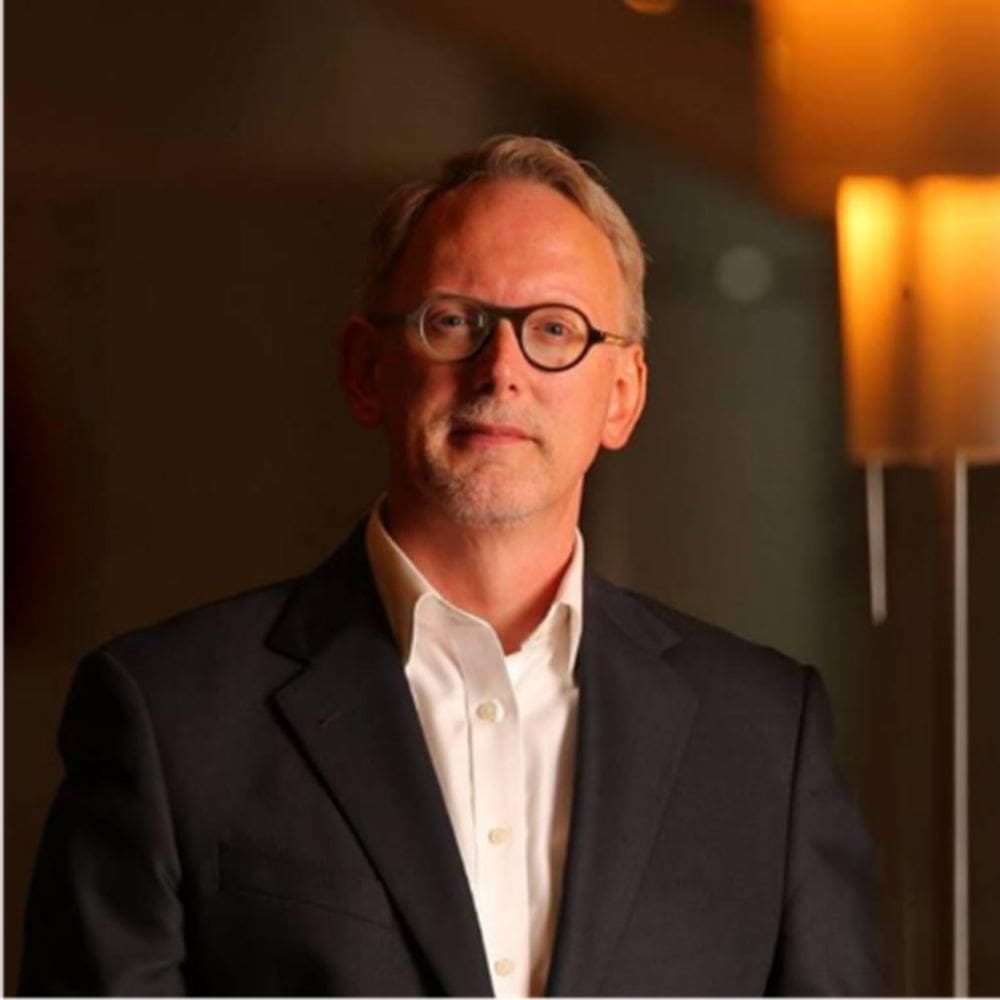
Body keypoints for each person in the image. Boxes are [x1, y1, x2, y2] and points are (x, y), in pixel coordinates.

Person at [20, 135, 884, 997]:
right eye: (455, 321)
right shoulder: (170, 715)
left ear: (623, 395)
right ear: (366, 370)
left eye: (556, 328)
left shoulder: (767, 736)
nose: (502, 370)